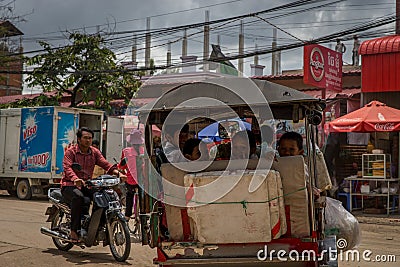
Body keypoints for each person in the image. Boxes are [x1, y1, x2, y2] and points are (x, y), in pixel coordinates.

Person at [61, 127, 126, 242]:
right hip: (70, 185)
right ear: (79, 139)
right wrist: (75, 178)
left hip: (87, 184)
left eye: (90, 138)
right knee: (79, 197)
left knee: (103, 196)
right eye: (85, 138)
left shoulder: (94, 152)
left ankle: (95, 225)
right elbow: (67, 168)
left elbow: (105, 164)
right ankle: (73, 230)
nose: (88, 140)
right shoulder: (71, 152)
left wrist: (118, 174)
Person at [277, 131, 321, 197]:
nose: (287, 153)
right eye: (283, 149)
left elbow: (302, 183)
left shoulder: (302, 167)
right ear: (278, 150)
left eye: (291, 149)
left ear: (300, 152)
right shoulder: (275, 165)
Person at [119, 129, 144, 221]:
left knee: (130, 195)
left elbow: (122, 166)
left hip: (131, 180)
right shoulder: (143, 151)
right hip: (143, 180)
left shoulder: (126, 151)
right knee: (143, 196)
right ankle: (143, 212)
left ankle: (127, 215)